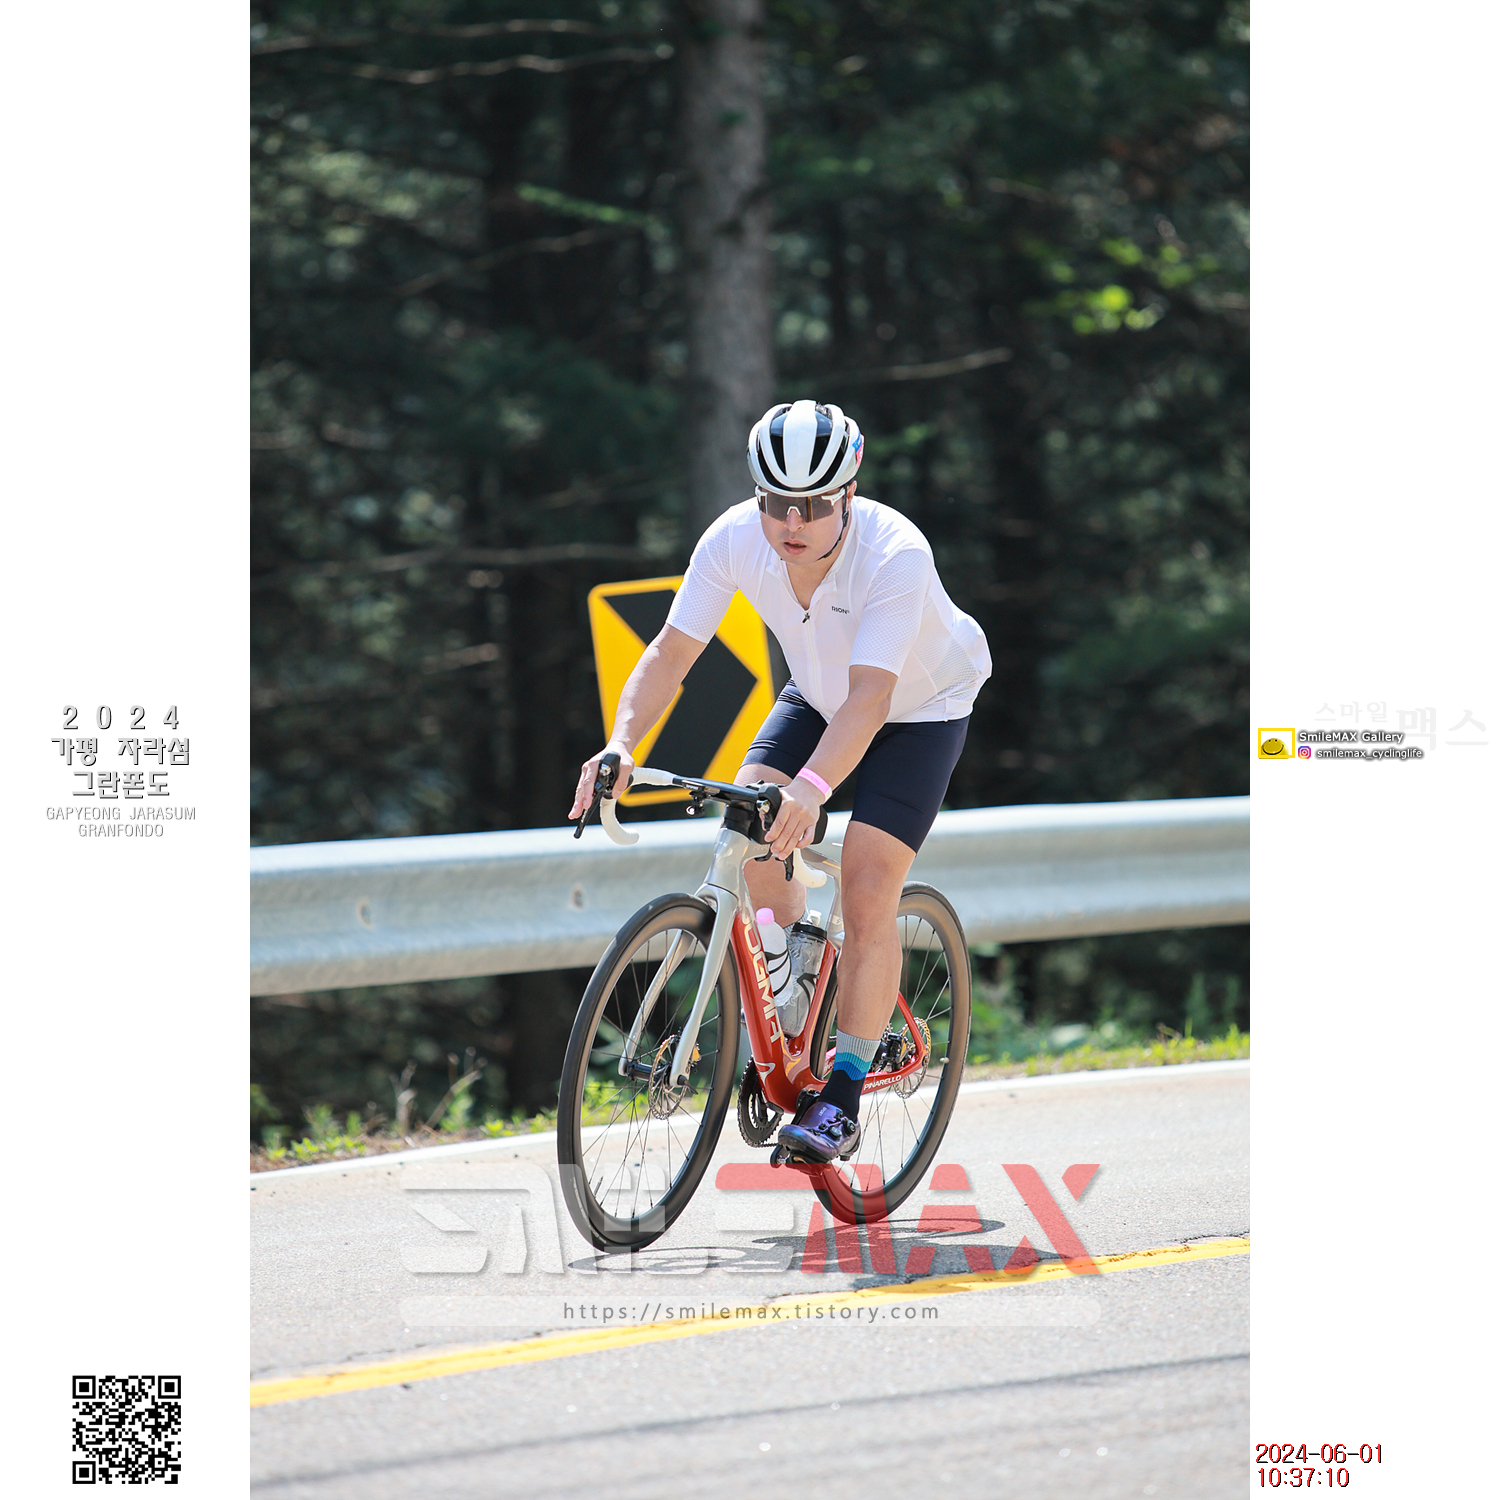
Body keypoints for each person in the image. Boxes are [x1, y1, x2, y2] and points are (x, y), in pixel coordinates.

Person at [568, 399, 991, 1163]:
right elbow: (670, 653)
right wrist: (620, 745)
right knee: (748, 822)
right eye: (775, 503)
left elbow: (872, 697)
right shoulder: (734, 538)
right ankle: (792, 992)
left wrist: (814, 787)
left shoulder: (896, 552)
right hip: (820, 694)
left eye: (815, 505)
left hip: (919, 707)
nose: (792, 523)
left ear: (849, 495)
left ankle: (843, 1097)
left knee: (867, 882)